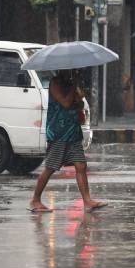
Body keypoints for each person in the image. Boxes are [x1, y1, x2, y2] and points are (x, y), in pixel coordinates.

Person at [29, 70, 107, 213]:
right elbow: (65, 103)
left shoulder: (71, 84)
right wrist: (74, 85)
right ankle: (35, 200)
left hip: (73, 131)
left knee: (81, 165)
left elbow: (79, 105)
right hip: (59, 132)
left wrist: (79, 96)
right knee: (51, 167)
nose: (71, 72)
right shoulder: (55, 83)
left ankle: (87, 201)